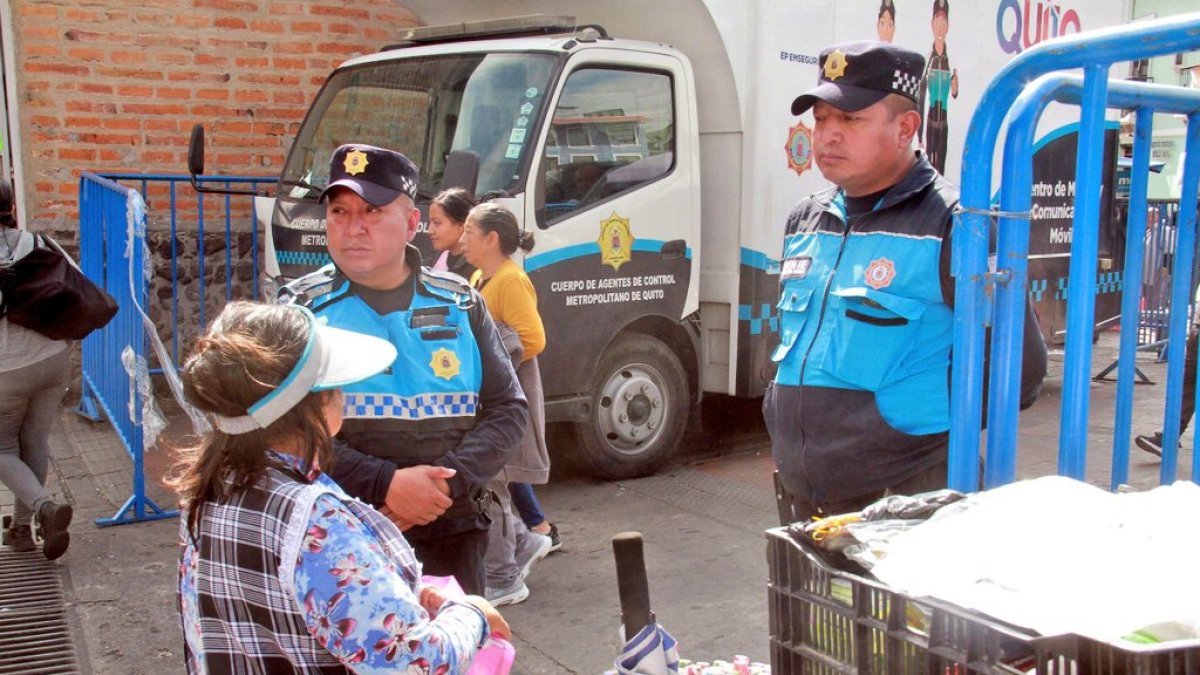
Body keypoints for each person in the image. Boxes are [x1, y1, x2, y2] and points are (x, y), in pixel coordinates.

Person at [766, 41, 1047, 522]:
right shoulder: (806, 220)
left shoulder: (958, 224)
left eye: (850, 120)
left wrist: (906, 433)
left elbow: (1017, 372)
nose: (827, 135)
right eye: (820, 119)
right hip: (805, 501)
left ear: (906, 128)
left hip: (907, 506)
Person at [172, 301, 509, 672]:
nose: (343, 397)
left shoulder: (211, 487)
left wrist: (399, 594)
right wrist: (471, 613)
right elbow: (416, 663)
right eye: (335, 388)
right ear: (314, 409)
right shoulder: (318, 523)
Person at [278, 144, 528, 596]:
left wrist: (438, 491)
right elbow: (286, 431)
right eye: (339, 211)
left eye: (372, 211)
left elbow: (509, 410)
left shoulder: (461, 302)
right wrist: (386, 484)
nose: (353, 228)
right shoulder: (298, 312)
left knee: (458, 657)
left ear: (413, 222)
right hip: (340, 539)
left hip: (453, 533)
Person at [459, 202, 558, 606]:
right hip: (487, 395)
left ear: (491, 238)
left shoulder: (511, 280)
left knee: (492, 483)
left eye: (468, 230)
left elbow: (533, 339)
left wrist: (492, 354)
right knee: (492, 482)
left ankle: (504, 575)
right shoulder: (482, 276)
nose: (462, 238)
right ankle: (524, 541)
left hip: (506, 395)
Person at [0, 177, 74, 560]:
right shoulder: (38, 243)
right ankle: (22, 529)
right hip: (52, 359)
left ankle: (44, 507)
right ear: (11, 207)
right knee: (34, 443)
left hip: (6, 371)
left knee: (2, 448)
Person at [921, 0, 957, 174]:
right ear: (932, 24)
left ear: (948, 26)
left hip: (944, 117)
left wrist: (954, 85)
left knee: (941, 160)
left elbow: (955, 93)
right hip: (930, 116)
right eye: (937, 22)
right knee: (930, 161)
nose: (940, 27)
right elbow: (920, 97)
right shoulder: (929, 60)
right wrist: (919, 136)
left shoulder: (951, 60)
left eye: (944, 22)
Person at [426, 187, 477, 280]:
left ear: (462, 225)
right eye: (430, 222)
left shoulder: (477, 269)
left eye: (437, 223)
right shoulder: (434, 260)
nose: (430, 230)